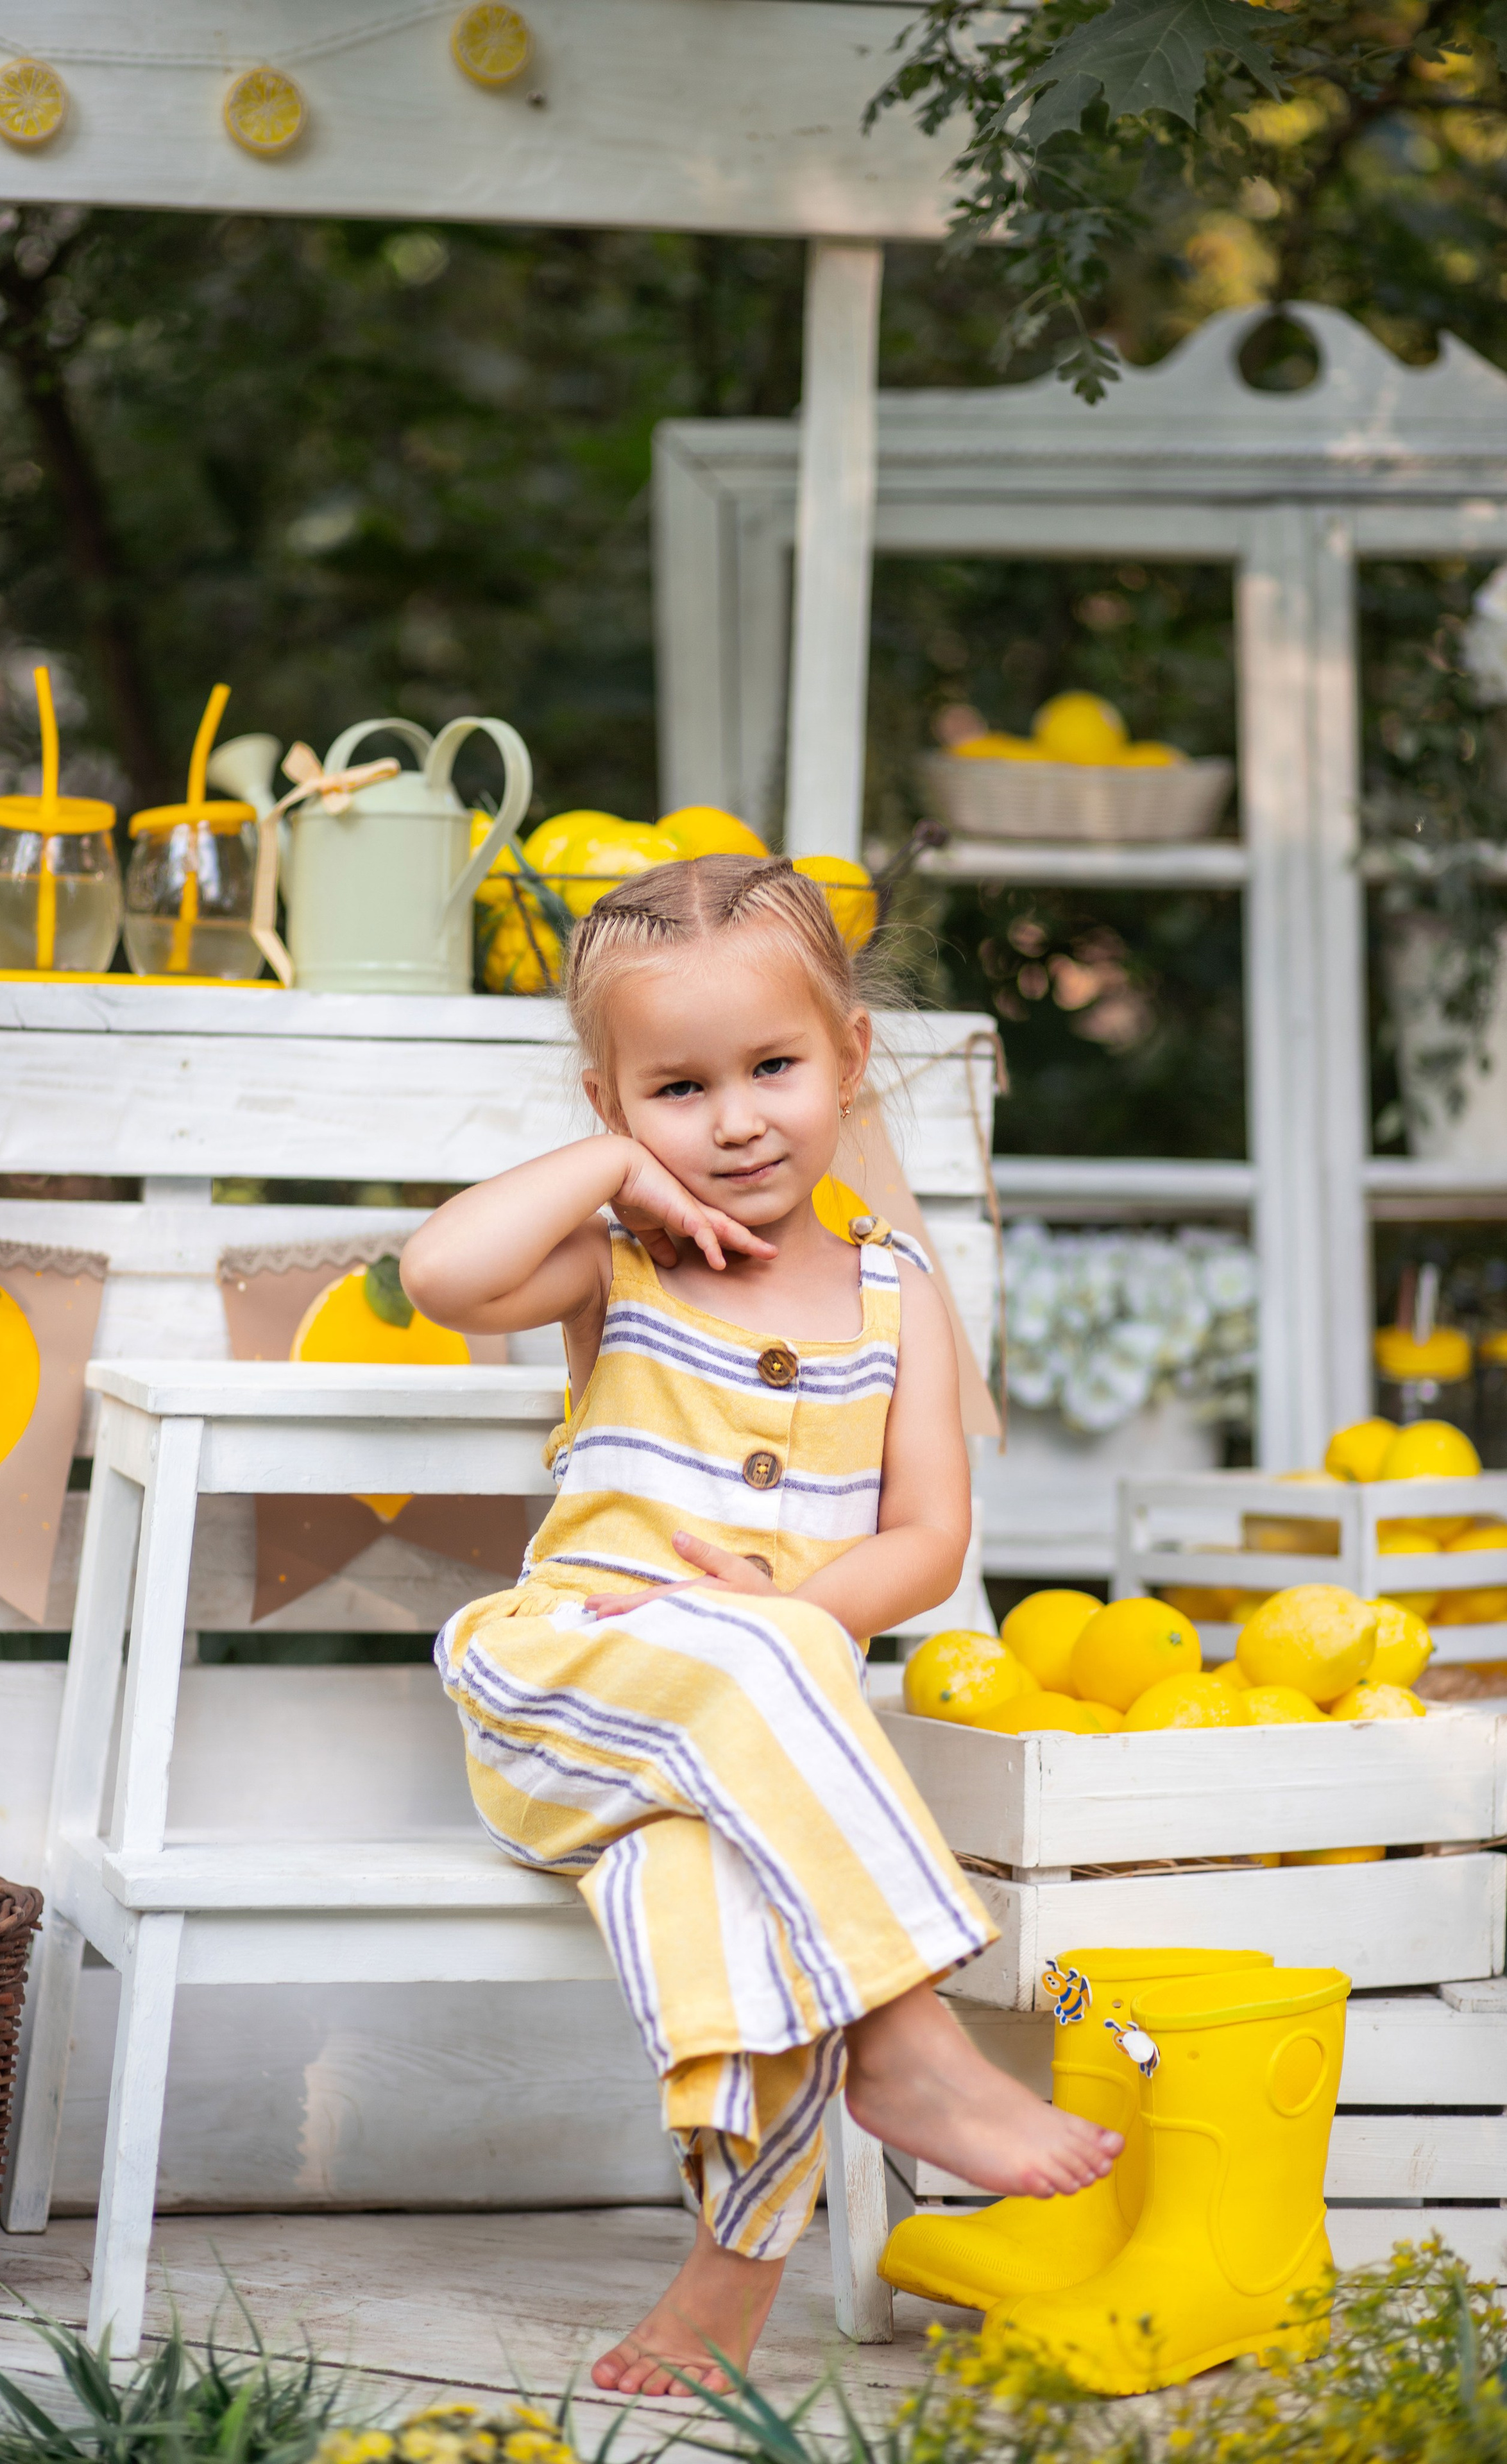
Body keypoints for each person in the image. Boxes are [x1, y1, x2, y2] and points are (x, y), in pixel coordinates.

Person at [401, 854, 1120, 2398]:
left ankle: (721, 2285)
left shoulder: (891, 1292)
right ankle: (911, 2033)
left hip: (746, 1772)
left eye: (773, 1068)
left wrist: (799, 1610)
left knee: (717, 1896)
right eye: (675, 1090)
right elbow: (438, 1275)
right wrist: (605, 1180)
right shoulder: (616, 1261)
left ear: (849, 1057)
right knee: (772, 1674)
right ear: (614, 1104)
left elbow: (926, 1539)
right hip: (565, 1701)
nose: (732, 1119)